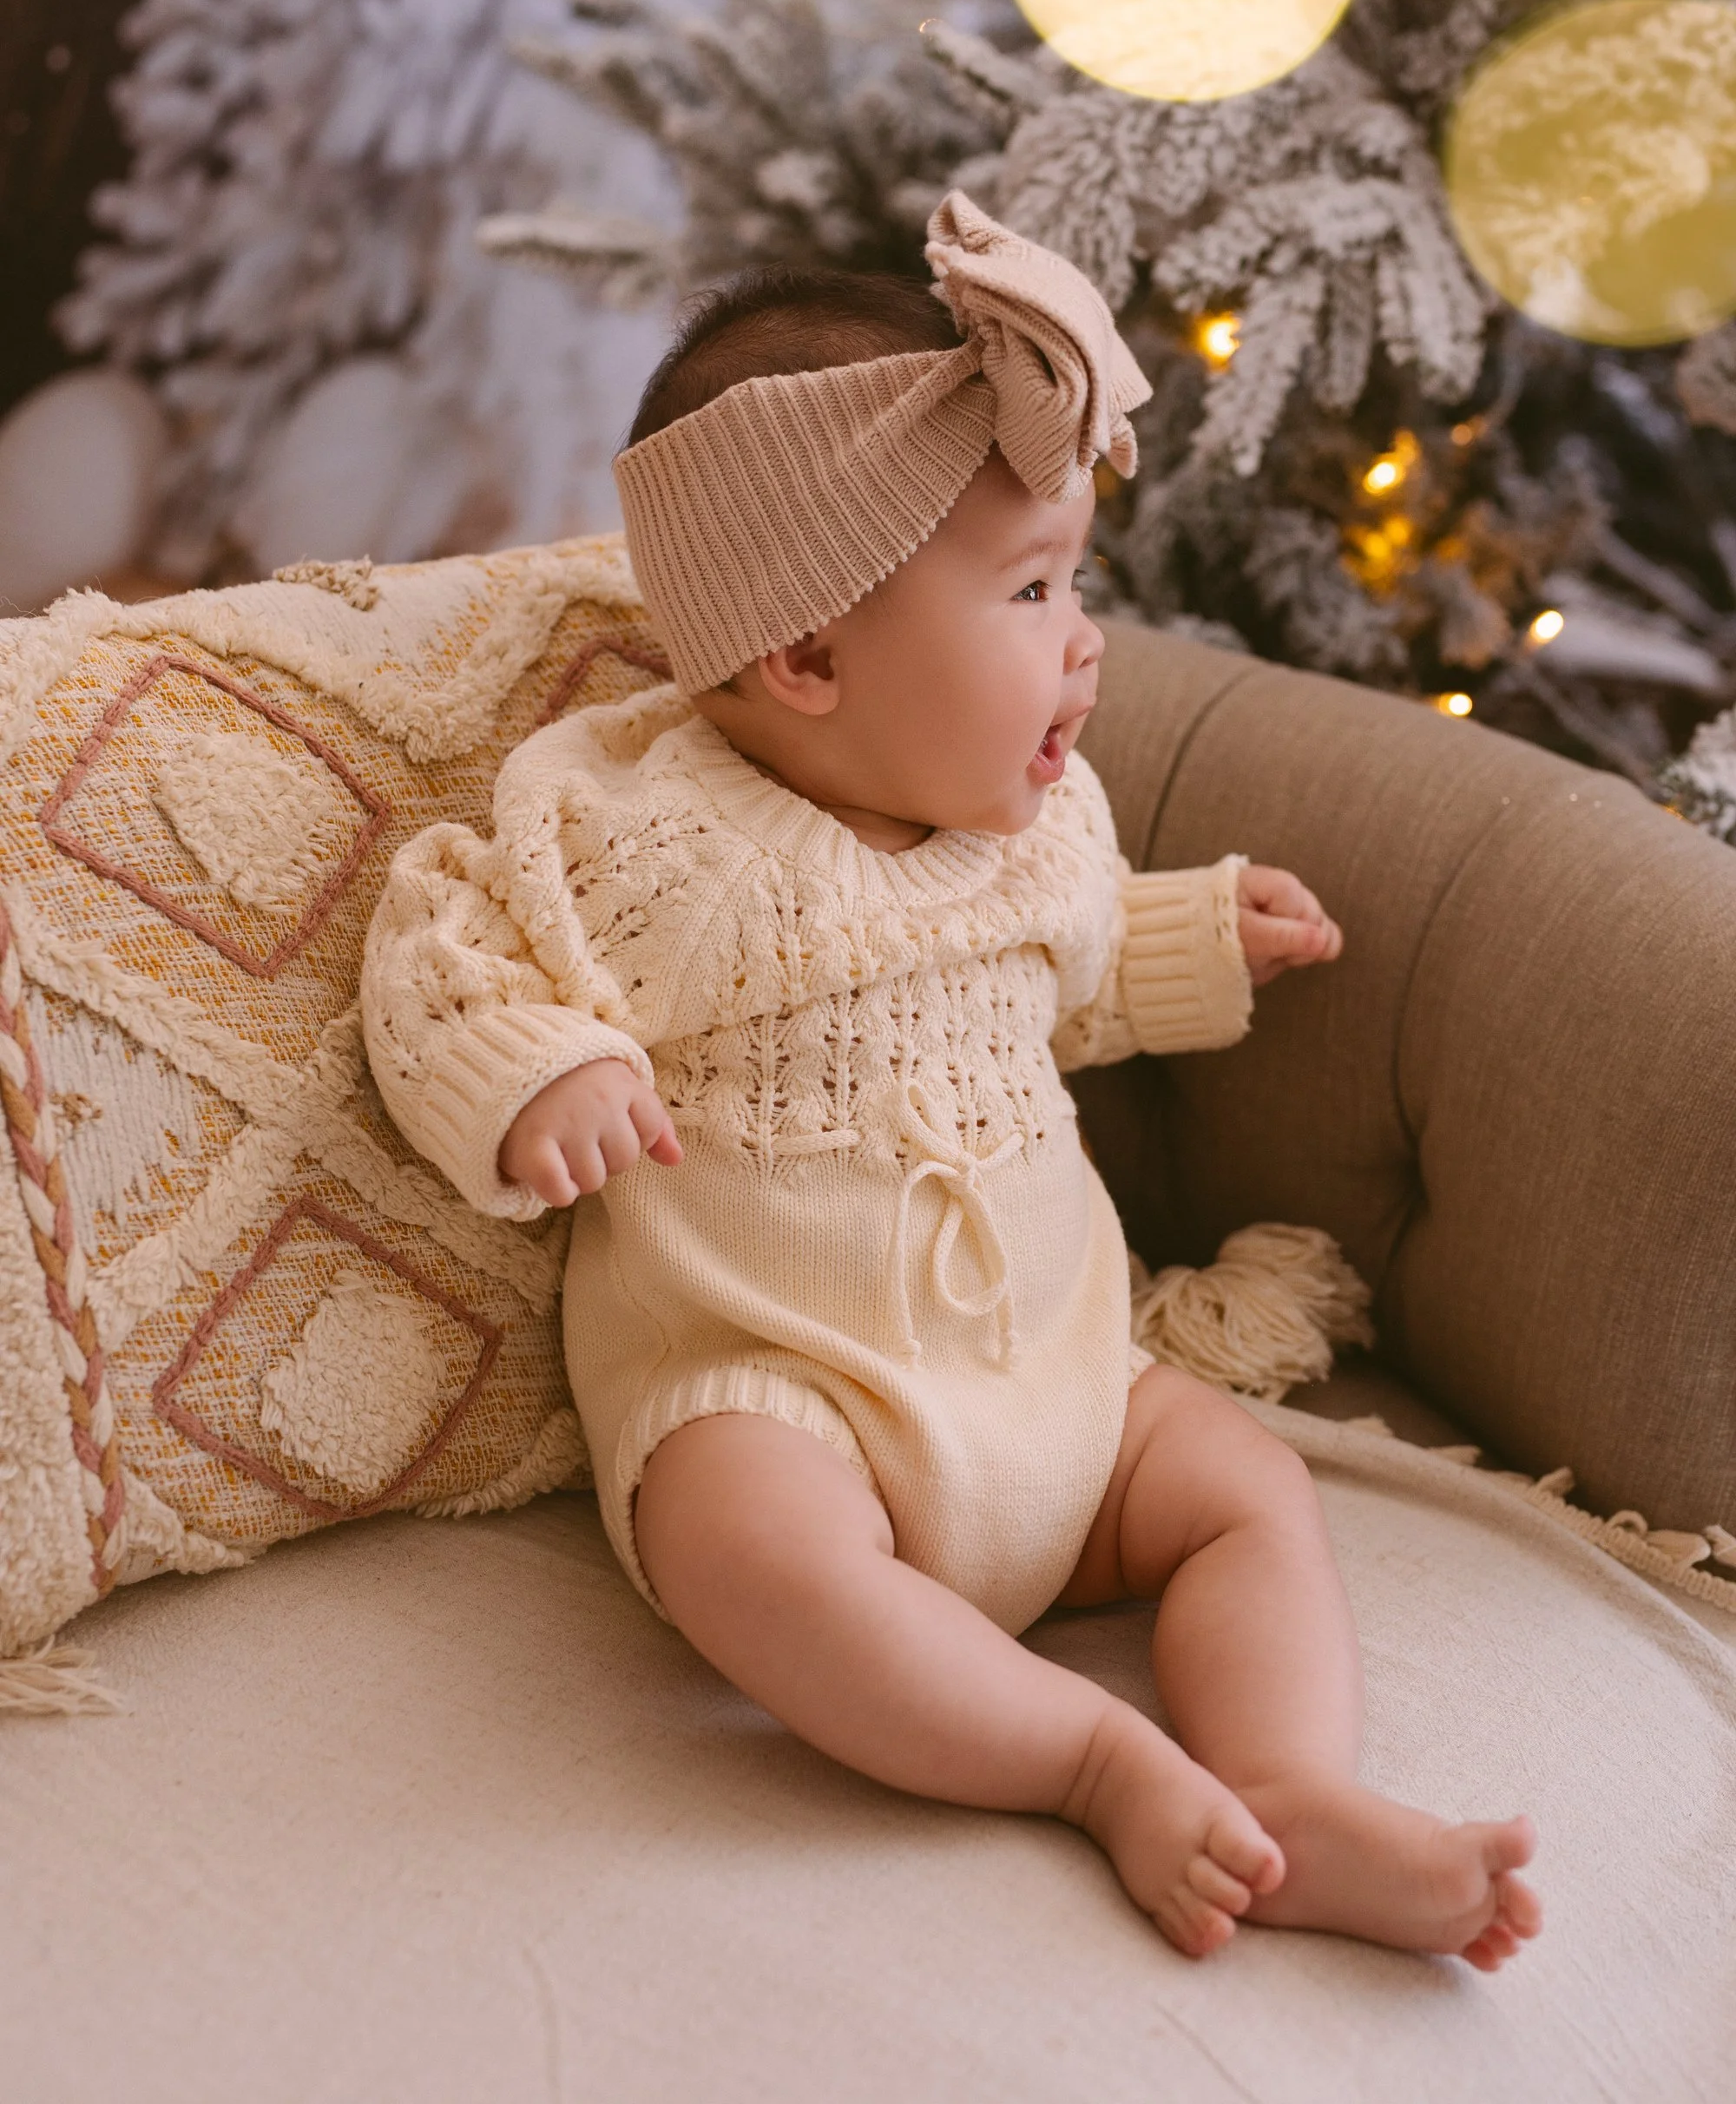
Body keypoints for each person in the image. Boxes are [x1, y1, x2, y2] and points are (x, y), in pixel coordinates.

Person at [361, 195, 1541, 1967]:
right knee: (742, 1544)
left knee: (1242, 1494)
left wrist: (1191, 942)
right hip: (795, 1399)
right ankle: (1081, 1759)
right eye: (1030, 591)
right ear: (809, 659)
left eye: (1077, 581)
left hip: (1062, 1397)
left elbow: (1047, 995)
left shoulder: (1037, 821)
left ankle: (1285, 1783)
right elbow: (439, 938)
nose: (1085, 641)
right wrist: (544, 1071)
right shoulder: (649, 829)